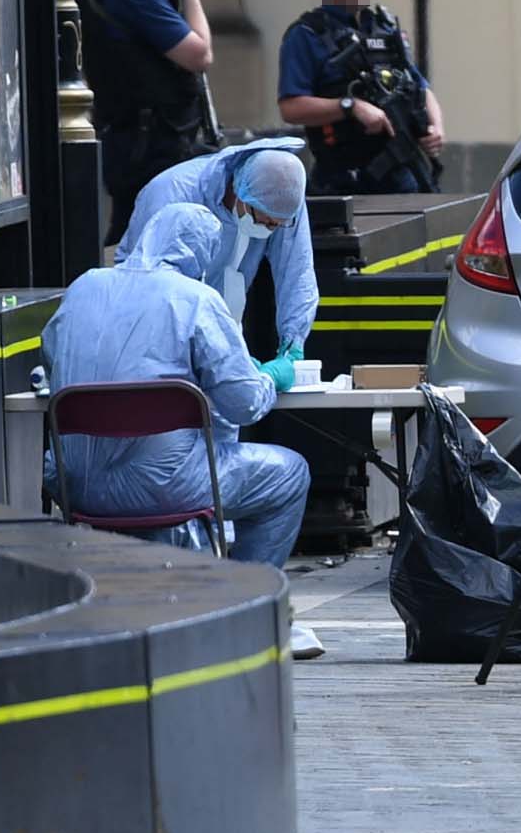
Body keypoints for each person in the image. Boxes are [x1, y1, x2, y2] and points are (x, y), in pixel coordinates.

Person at [42, 203, 324, 659]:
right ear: (200, 254)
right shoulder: (194, 299)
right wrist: (274, 374)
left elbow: (54, 360)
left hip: (73, 485)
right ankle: (244, 613)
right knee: (289, 474)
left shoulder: (83, 288)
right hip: (163, 486)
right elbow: (245, 402)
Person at [76, 0, 219, 246]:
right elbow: (199, 55)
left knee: (136, 232)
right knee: (153, 237)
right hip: (154, 143)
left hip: (128, 134)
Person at [124, 136, 319, 373]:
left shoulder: (283, 193)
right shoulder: (172, 193)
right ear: (239, 190)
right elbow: (149, 289)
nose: (268, 229)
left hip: (222, 332)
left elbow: (297, 271)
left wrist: (292, 345)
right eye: (264, 220)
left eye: (276, 225)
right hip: (159, 336)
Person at [275, 0, 447, 195]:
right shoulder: (307, 34)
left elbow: (421, 87)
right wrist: (350, 107)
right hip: (344, 179)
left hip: (405, 174)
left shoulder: (384, 27)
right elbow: (291, 107)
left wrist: (435, 128)